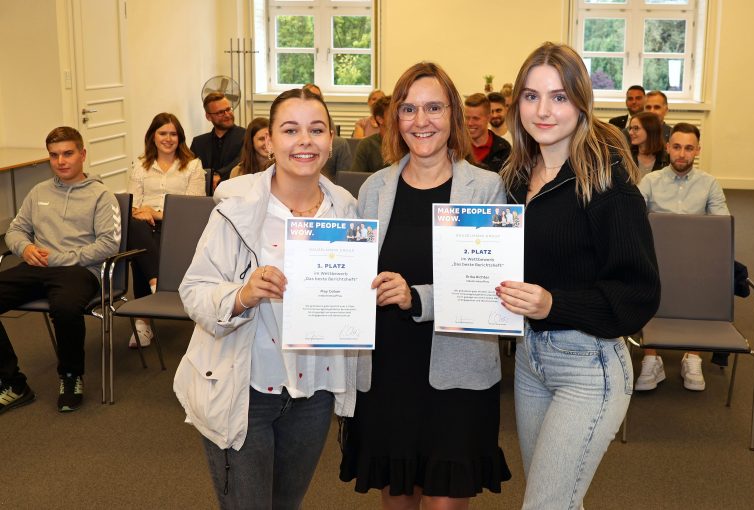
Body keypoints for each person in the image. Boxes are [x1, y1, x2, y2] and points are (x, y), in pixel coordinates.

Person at [174, 87, 358, 510]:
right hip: (246, 389)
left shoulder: (346, 212)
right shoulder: (235, 209)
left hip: (313, 392)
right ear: (269, 141)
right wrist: (241, 295)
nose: (305, 141)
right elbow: (194, 291)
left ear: (331, 139)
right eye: (290, 130)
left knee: (285, 504)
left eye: (316, 130)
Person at [339, 62, 511, 508]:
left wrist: (417, 297)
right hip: (388, 370)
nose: (421, 121)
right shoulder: (375, 188)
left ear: (453, 115)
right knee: (397, 498)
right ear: (395, 118)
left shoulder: (487, 188)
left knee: (444, 500)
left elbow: (491, 288)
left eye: (434, 107)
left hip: (458, 371)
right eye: (409, 109)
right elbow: (355, 274)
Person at [496, 42, 660, 510]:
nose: (543, 110)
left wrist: (555, 304)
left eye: (559, 97)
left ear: (581, 102)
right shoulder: (513, 178)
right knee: (558, 500)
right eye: (531, 96)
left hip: (589, 367)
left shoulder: (607, 183)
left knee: (546, 506)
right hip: (529, 361)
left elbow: (639, 295)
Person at [0, 126, 119, 414]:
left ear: (82, 154)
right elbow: (15, 230)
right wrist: (24, 248)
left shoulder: (101, 196)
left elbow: (108, 245)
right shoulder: (39, 191)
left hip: (79, 270)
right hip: (36, 265)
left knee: (65, 308)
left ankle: (70, 377)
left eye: (68, 153)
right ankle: (14, 383)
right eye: (54, 155)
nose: (61, 161)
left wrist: (61, 258)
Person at [635, 122, 729, 392]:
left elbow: (722, 226)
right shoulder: (650, 181)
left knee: (704, 279)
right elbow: (634, 220)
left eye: (689, 148)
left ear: (697, 151)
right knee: (644, 278)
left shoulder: (709, 184)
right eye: (676, 147)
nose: (681, 154)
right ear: (667, 147)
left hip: (695, 260)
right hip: (656, 257)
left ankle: (693, 355)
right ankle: (651, 358)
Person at [126, 113, 205, 348]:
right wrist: (142, 212)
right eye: (163, 133)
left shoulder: (192, 165)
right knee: (137, 231)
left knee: (140, 247)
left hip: (181, 227)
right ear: (153, 136)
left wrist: (154, 212)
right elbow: (132, 205)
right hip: (145, 228)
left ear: (179, 137)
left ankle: (144, 317)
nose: (168, 138)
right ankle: (155, 286)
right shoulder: (141, 166)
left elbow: (194, 207)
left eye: (173, 133)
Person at [191, 92, 246, 191]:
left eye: (228, 109)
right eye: (220, 112)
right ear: (208, 116)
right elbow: (191, 169)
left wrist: (218, 174)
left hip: (236, 193)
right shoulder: (198, 143)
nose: (227, 115)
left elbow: (242, 160)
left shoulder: (246, 135)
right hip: (204, 196)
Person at [302, 84, 353, 180]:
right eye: (310, 96)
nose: (314, 100)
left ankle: (342, 183)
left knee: (341, 143)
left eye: (317, 97)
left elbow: (330, 138)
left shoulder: (326, 116)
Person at [464, 93, 511, 172]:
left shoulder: (503, 149)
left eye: (476, 118)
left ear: (488, 117)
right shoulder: (456, 147)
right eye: (467, 118)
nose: (470, 123)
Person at [350, 96, 391, 173]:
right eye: (392, 114)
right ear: (380, 119)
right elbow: (356, 178)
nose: (398, 117)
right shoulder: (367, 145)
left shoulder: (407, 143)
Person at [628, 111, 669, 176]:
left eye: (636, 128)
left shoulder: (667, 160)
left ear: (650, 130)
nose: (630, 132)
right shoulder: (626, 158)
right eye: (630, 128)